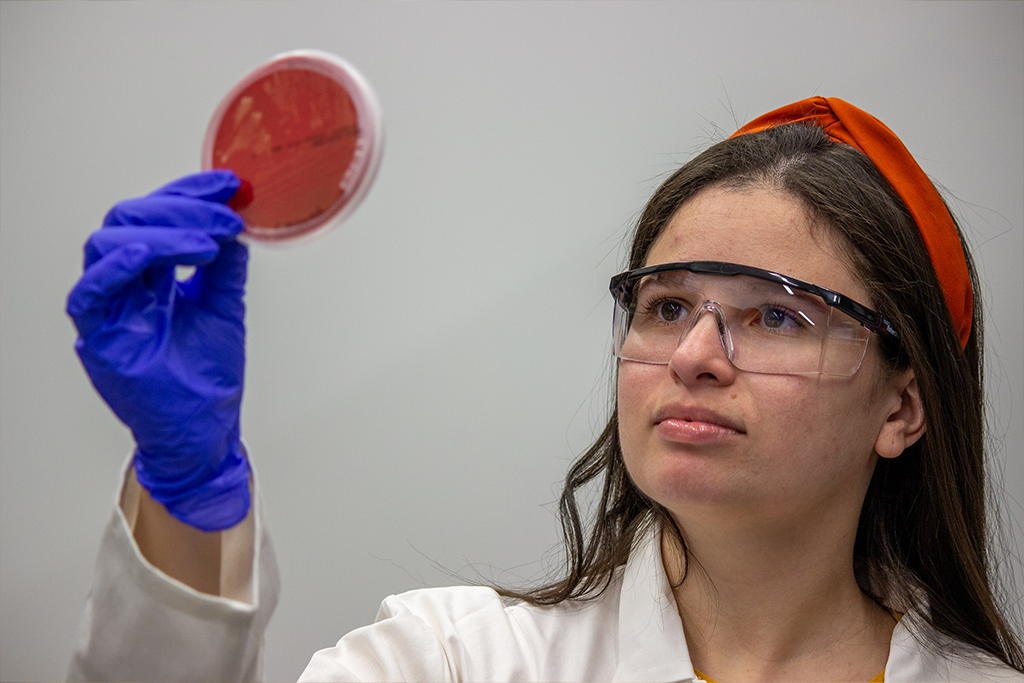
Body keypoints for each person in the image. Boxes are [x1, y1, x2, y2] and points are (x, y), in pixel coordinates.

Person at [66, 97, 1024, 682]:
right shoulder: (450, 662)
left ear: (902, 407)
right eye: (666, 303)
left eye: (776, 314)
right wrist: (184, 492)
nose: (694, 353)